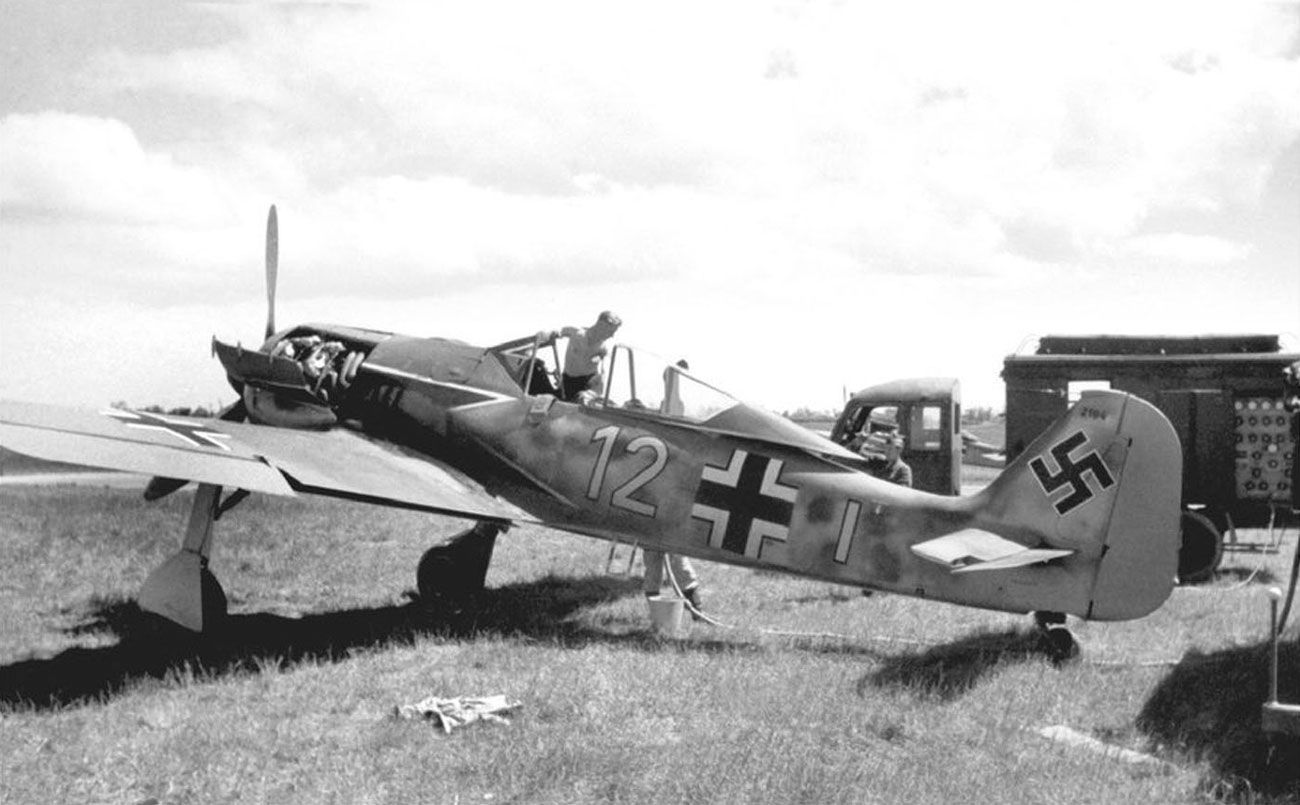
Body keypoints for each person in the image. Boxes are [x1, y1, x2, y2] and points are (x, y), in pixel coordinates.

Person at [539, 310, 622, 402]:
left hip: (587, 383)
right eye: (611, 331)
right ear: (602, 325)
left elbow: (604, 367)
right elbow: (557, 332)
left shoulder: (603, 347)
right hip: (568, 381)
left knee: (598, 379)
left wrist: (600, 358)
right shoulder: (575, 333)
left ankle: (591, 397)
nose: (612, 336)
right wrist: (548, 334)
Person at [643, 549, 706, 620]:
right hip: (651, 541)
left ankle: (697, 612)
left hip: (674, 541)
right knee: (652, 574)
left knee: (682, 569)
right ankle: (655, 616)